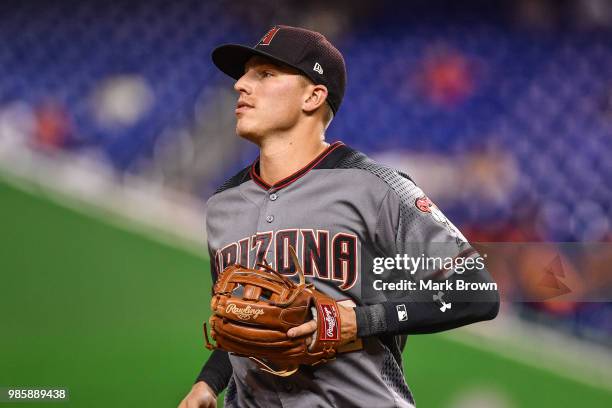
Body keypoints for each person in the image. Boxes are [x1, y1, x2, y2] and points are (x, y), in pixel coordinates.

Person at [179, 25, 499, 408]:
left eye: (264, 74)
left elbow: (476, 292)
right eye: (244, 74)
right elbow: (251, 320)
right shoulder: (223, 205)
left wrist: (362, 322)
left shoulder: (375, 186)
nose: (241, 85)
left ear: (313, 96)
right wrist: (208, 382)